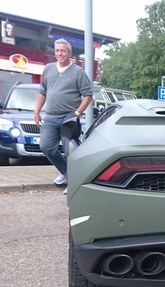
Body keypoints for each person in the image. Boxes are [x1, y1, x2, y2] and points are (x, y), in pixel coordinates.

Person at [34, 38, 93, 194]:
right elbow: (42, 92)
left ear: (69, 53)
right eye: (57, 50)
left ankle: (73, 182)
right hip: (51, 116)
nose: (59, 53)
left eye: (63, 51)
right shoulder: (48, 69)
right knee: (46, 147)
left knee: (70, 151)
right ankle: (65, 172)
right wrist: (37, 112)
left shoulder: (78, 72)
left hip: (69, 117)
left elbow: (88, 95)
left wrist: (77, 113)